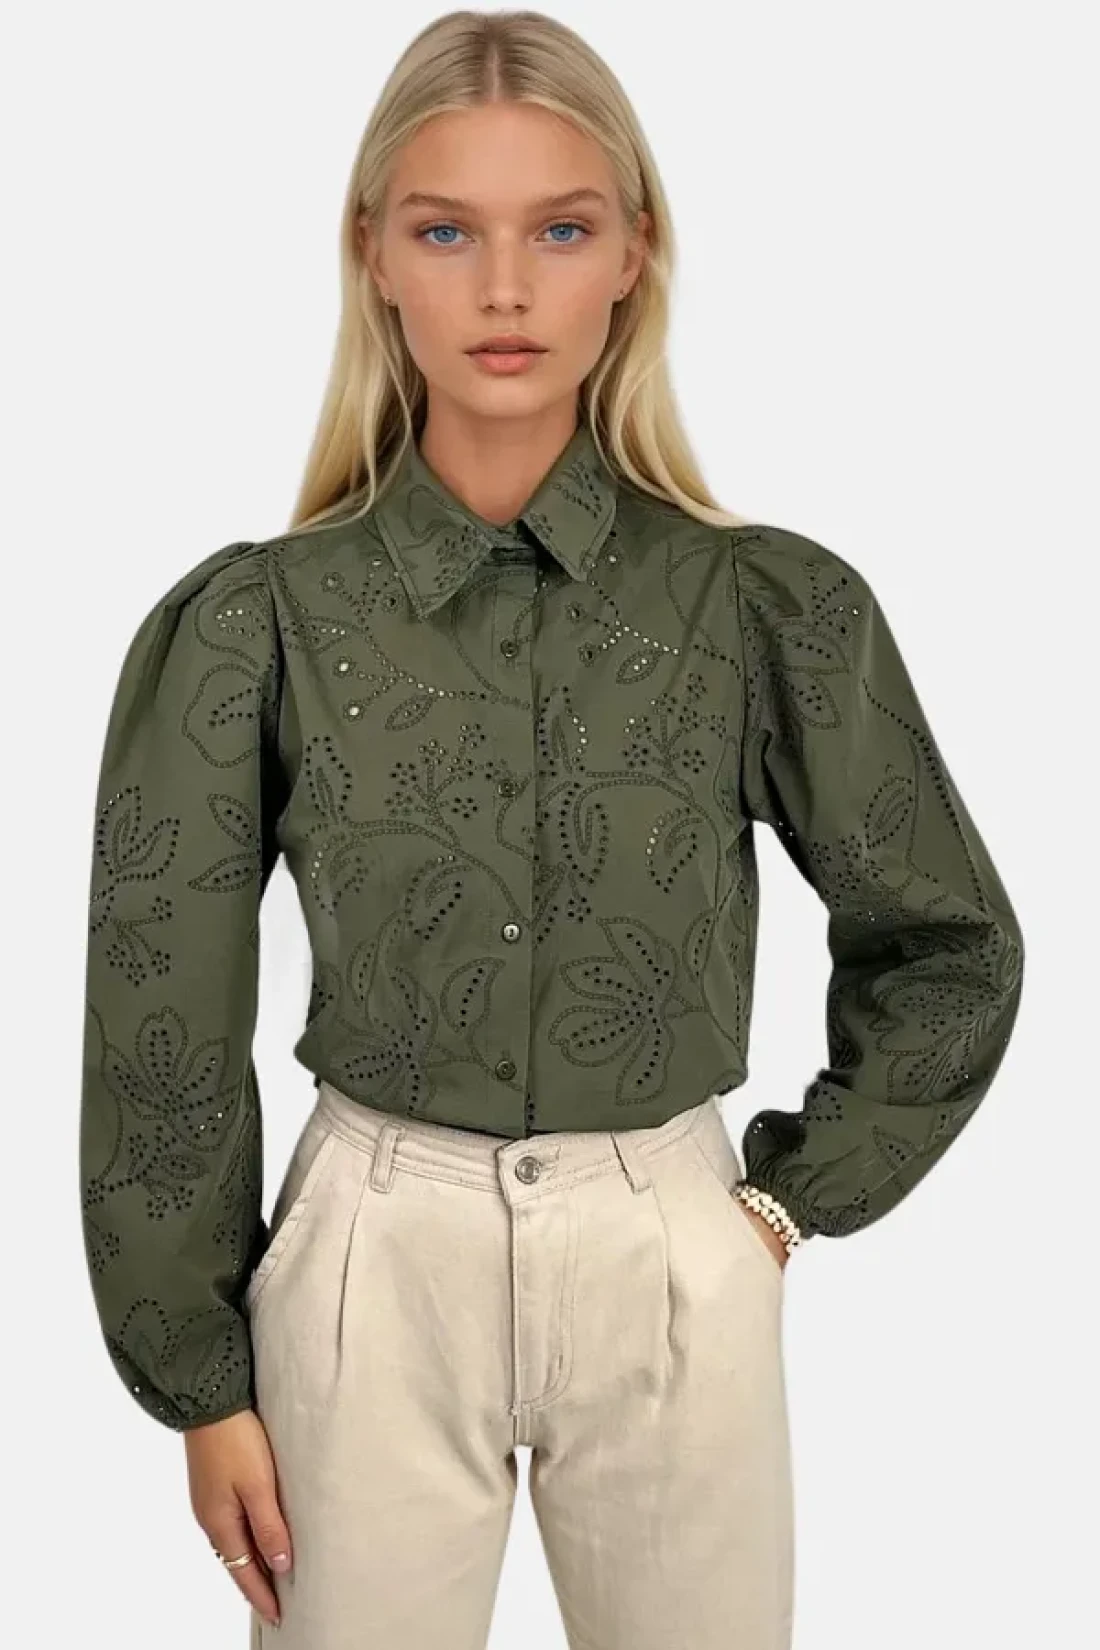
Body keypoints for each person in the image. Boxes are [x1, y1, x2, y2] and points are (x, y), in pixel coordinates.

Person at [78, 10, 1025, 1648]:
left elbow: (946, 942)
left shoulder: (765, 608)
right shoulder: (257, 624)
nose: (505, 290)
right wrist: (201, 1379)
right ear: (374, 255)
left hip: (671, 1243)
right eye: (448, 231)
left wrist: (782, 1205)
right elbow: (160, 1007)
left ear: (635, 255)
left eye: (561, 230)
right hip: (372, 1258)